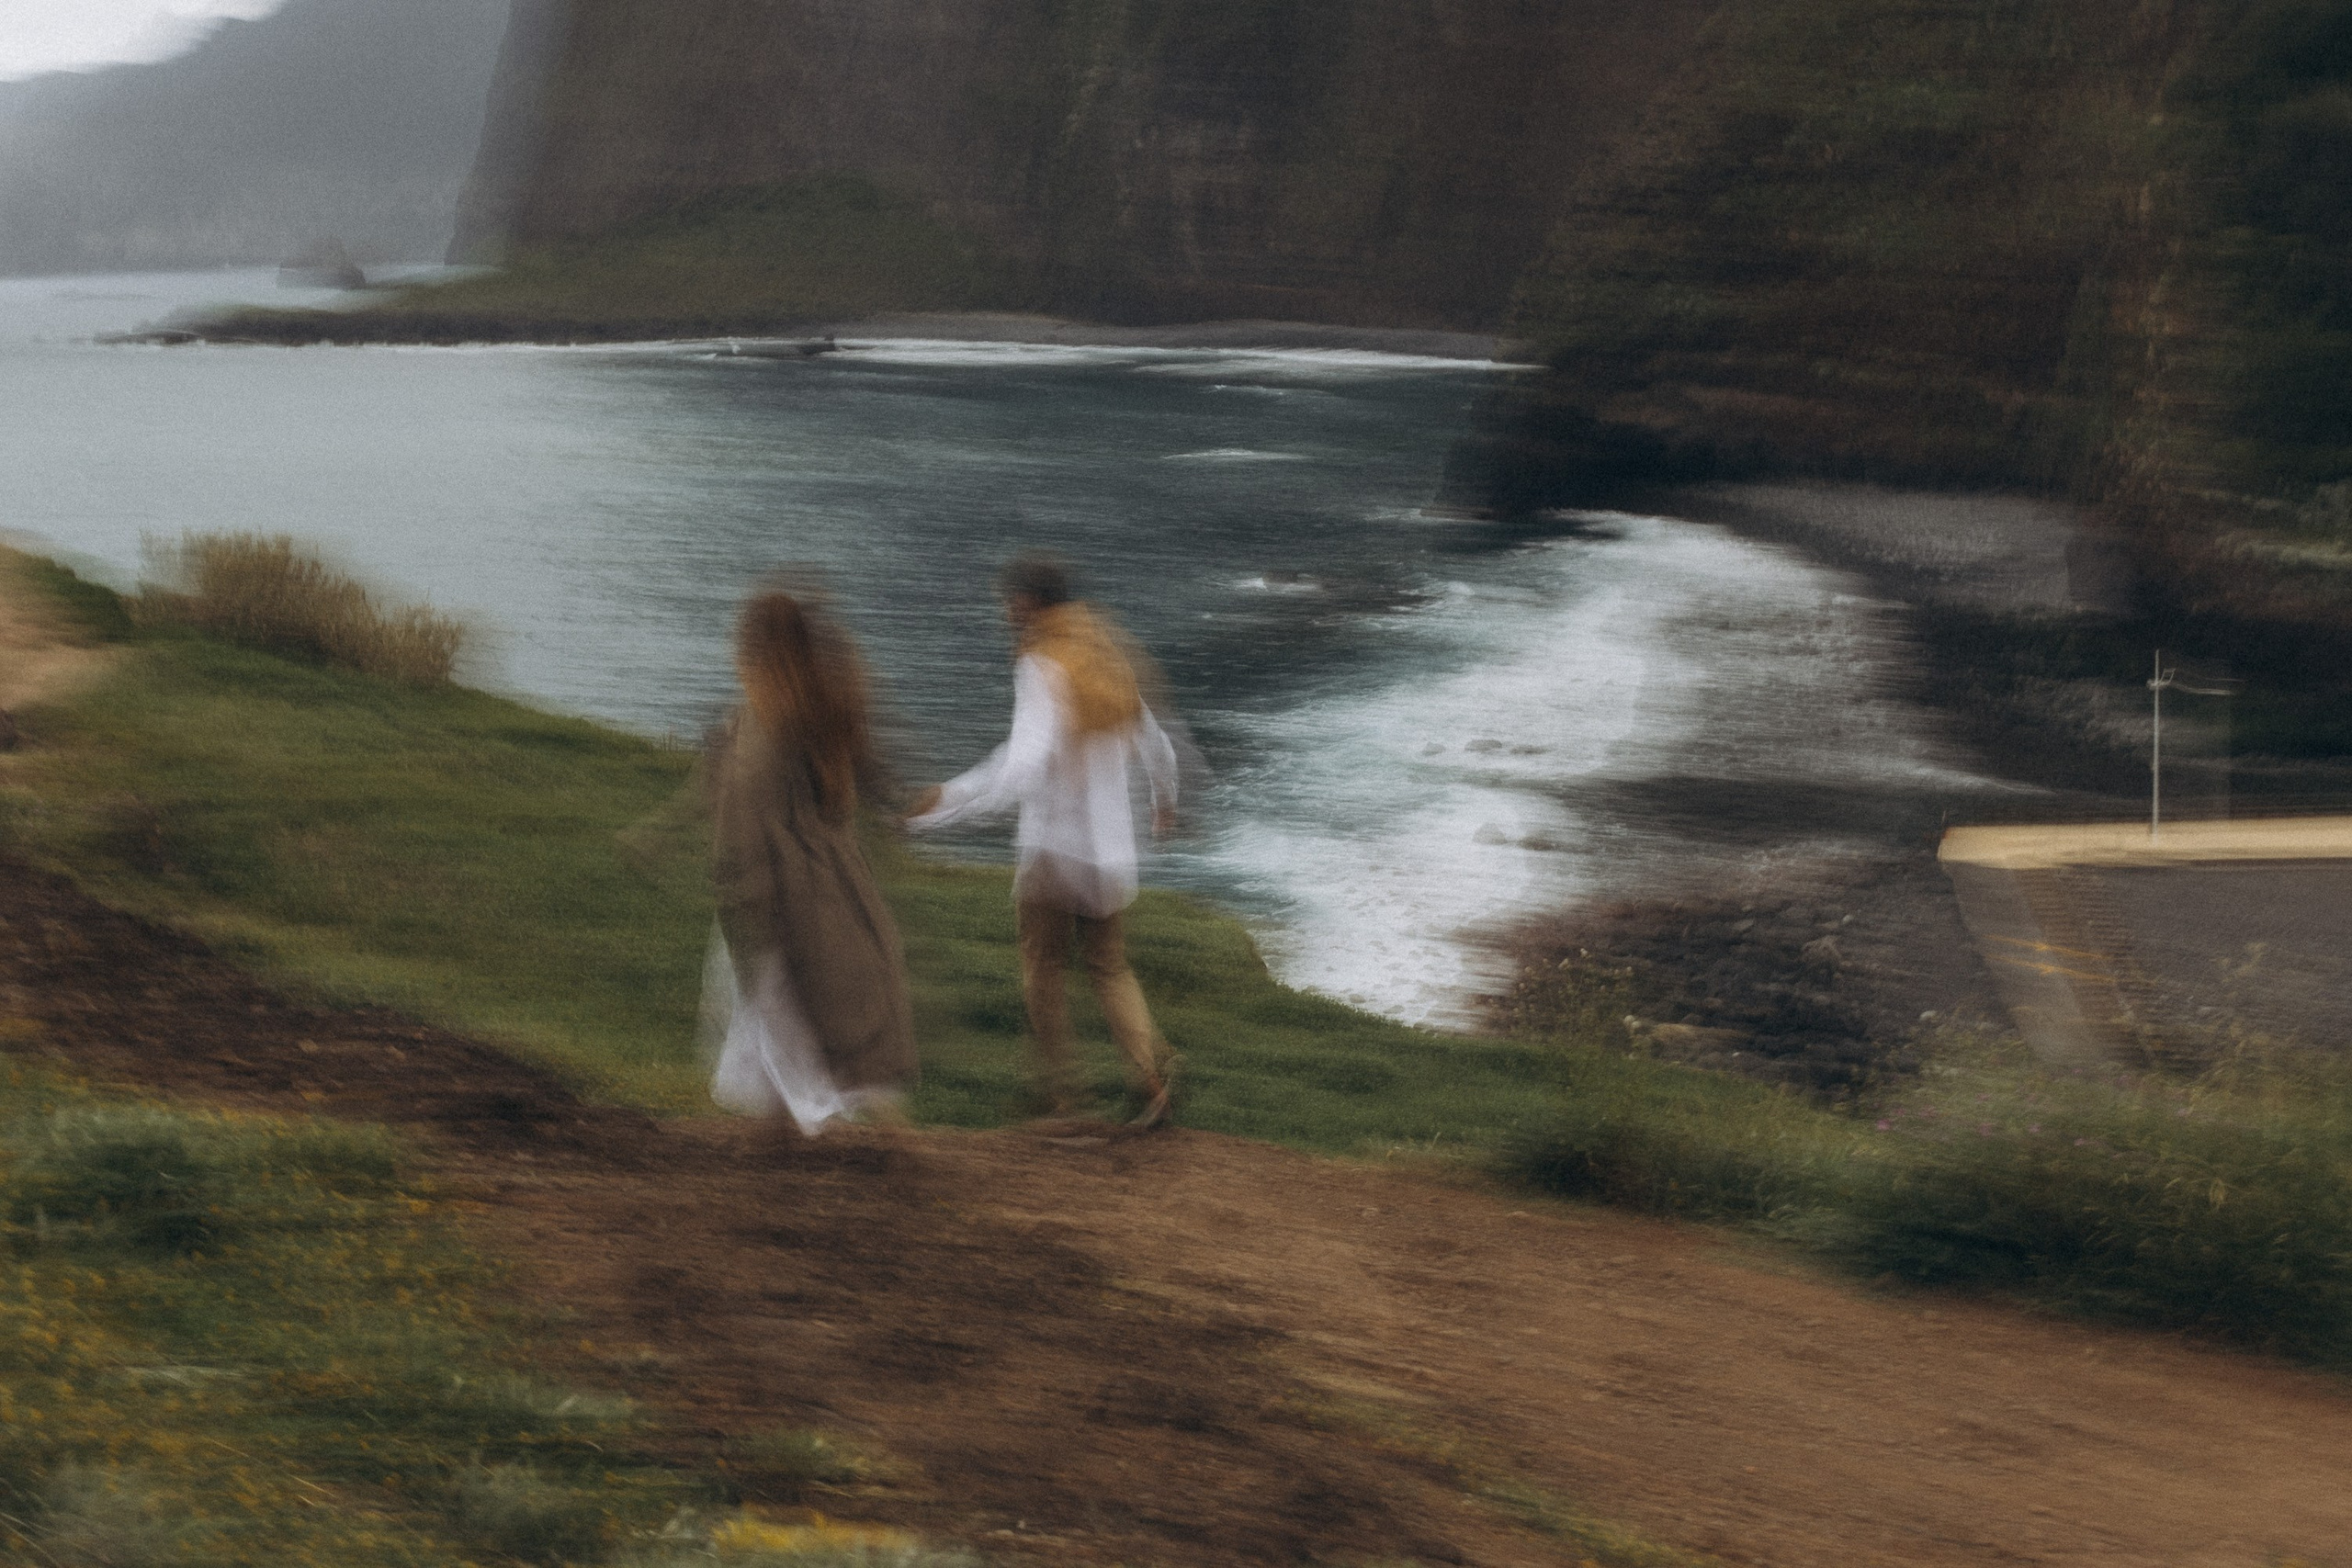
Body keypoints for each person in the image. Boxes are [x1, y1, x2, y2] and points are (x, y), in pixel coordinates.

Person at [908, 554, 1180, 1127]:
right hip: (1109, 854)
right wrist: (1164, 801)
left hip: (1055, 850)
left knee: (1042, 968)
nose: (1006, 612)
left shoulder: (1042, 663)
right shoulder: (1107, 653)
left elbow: (1021, 769)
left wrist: (942, 806)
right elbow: (1156, 743)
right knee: (1109, 968)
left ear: (1031, 603)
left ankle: (1061, 1096)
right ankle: (1151, 1080)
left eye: (1010, 602)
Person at [704, 587, 917, 1134]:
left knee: (790, 1024)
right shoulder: (820, 710)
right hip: (832, 897)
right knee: (787, 1028)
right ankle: (781, 1135)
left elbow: (747, 834)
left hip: (783, 903)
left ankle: (879, 1140)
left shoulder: (764, 732)